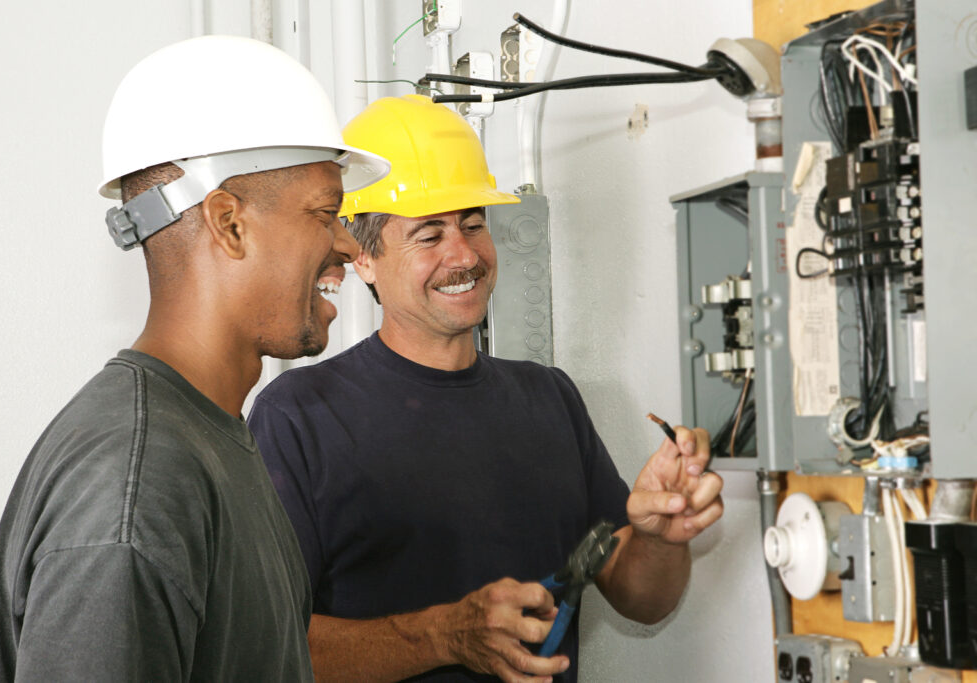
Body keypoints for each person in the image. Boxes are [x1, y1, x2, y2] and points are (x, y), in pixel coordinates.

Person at [248, 94, 724, 683]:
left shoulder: (549, 398)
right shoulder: (299, 417)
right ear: (364, 259)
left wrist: (661, 539)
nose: (465, 255)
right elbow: (267, 645)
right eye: (429, 235)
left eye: (473, 224)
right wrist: (447, 636)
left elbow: (641, 599)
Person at [0, 35, 388, 681]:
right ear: (228, 223)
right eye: (325, 213)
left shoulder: (206, 438)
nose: (346, 243)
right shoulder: (137, 482)